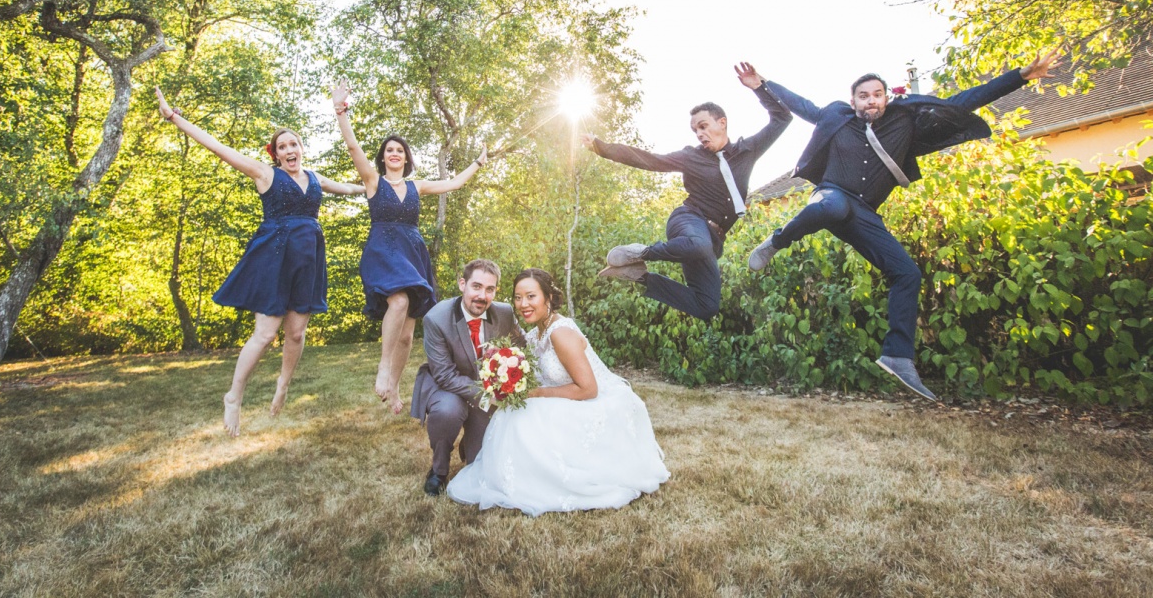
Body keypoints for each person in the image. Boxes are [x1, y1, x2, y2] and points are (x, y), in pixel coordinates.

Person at [745, 50, 1061, 400]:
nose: (871, 101)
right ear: (853, 101)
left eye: (876, 94)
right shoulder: (836, 116)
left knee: (907, 273)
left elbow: (964, 100)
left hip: (864, 214)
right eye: (863, 96)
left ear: (885, 97)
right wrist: (761, 86)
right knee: (832, 206)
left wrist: (1020, 75)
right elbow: (800, 104)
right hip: (831, 195)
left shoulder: (905, 119)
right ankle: (777, 241)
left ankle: (897, 354)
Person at [154, 87, 364, 437]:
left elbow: (355, 188)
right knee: (266, 334)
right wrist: (175, 117)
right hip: (275, 260)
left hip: (308, 260)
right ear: (276, 154)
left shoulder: (315, 179)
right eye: (282, 147)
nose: (289, 150)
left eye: (293, 144)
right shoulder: (265, 175)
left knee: (296, 333)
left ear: (301, 148)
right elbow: (218, 148)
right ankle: (234, 395)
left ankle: (283, 384)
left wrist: (377, 188)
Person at [447, 268, 669, 516]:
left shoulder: (561, 333)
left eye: (531, 296)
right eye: (518, 298)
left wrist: (537, 393)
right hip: (568, 395)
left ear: (549, 298)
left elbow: (589, 388)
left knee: (525, 414)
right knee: (516, 411)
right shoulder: (534, 335)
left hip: (596, 402)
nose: (523, 304)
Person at [581, 63, 791, 320]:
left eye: (703, 126)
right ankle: (641, 252)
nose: (699, 134)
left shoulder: (748, 150)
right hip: (689, 220)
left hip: (711, 240)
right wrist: (601, 147)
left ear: (722, 123)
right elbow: (649, 159)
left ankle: (639, 275)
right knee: (698, 244)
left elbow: (783, 118)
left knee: (708, 305)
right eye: (695, 130)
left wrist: (760, 87)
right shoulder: (690, 157)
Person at [331, 82, 487, 414]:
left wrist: (478, 163)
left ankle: (396, 389)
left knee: (406, 335)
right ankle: (384, 369)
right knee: (398, 301)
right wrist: (340, 111)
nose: (394, 154)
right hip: (384, 250)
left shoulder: (418, 186)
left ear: (406, 158)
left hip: (413, 253)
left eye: (400, 150)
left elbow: (454, 183)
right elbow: (353, 148)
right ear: (383, 157)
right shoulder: (373, 182)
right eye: (389, 150)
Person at [409, 259, 522, 496]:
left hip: (486, 389)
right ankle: (438, 470)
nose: (482, 295)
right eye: (476, 286)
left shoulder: (504, 313)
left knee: (480, 466)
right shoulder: (436, 318)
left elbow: (521, 348)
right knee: (447, 411)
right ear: (463, 284)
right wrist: (488, 395)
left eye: (490, 289)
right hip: (447, 387)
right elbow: (445, 375)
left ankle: (469, 443)